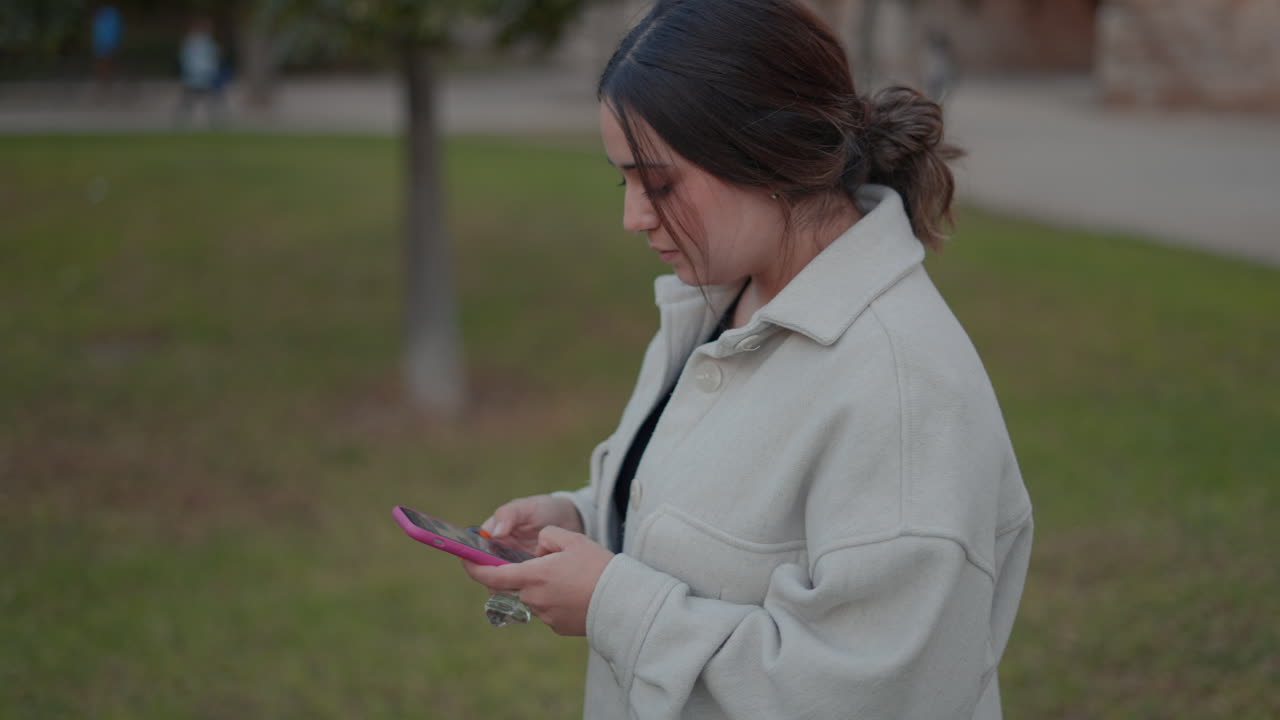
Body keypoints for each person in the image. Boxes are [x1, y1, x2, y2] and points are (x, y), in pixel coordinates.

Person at [463, 1, 1033, 717]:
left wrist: (617, 606)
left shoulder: (903, 390)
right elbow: (717, 530)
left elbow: (881, 693)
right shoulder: (722, 303)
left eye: (659, 183)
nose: (633, 217)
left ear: (770, 154)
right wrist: (580, 519)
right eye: (624, 182)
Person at [174, 17, 225, 126]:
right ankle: (181, 121)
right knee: (189, 101)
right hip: (194, 76)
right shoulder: (191, 42)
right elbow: (186, 59)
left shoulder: (208, 42)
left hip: (206, 76)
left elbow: (214, 58)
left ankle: (216, 121)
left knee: (212, 100)